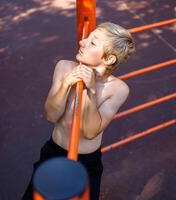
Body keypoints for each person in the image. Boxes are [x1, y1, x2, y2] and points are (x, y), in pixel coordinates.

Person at [22, 22, 136, 200]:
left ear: (108, 59)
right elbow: (51, 116)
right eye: (86, 38)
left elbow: (90, 132)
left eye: (92, 42)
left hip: (86, 162)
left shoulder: (118, 89)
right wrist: (66, 85)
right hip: (54, 152)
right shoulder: (64, 67)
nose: (82, 43)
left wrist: (90, 91)